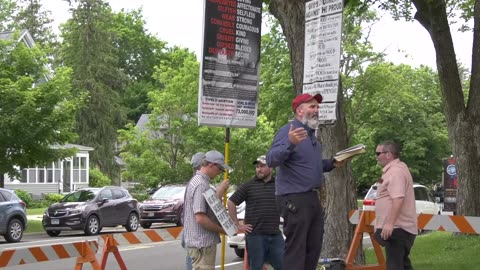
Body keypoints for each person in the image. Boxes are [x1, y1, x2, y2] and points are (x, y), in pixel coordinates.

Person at [266, 93, 345, 270]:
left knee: (313, 247)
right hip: (294, 197)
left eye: (317, 107)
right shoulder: (289, 131)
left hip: (311, 197)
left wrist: (332, 163)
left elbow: (312, 166)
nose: (316, 110)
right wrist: (290, 142)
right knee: (297, 250)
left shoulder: (312, 137)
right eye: (312, 106)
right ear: (299, 110)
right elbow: (271, 160)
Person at [227, 155, 284, 270]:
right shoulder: (249, 185)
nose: (259, 169)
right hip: (255, 236)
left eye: (262, 166)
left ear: (271, 167)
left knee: (284, 266)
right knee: (256, 267)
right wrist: (237, 224)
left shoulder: (279, 184)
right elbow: (231, 202)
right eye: (257, 166)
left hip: (275, 235)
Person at [183, 150, 231, 270]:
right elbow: (200, 218)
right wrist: (222, 230)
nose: (220, 172)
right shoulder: (200, 184)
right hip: (202, 245)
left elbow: (210, 209)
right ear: (211, 164)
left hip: (200, 245)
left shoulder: (200, 182)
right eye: (219, 168)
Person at [373, 140, 417, 270]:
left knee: (394, 266)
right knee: (403, 265)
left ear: (388, 154)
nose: (376, 156)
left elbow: (398, 199)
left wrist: (389, 224)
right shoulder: (395, 169)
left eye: (378, 153)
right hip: (399, 229)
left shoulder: (395, 172)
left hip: (397, 229)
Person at [181, 152, 206, 270]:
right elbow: (199, 215)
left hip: (189, 234)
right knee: (192, 263)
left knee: (190, 262)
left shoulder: (192, 182)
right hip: (196, 237)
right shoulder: (199, 183)